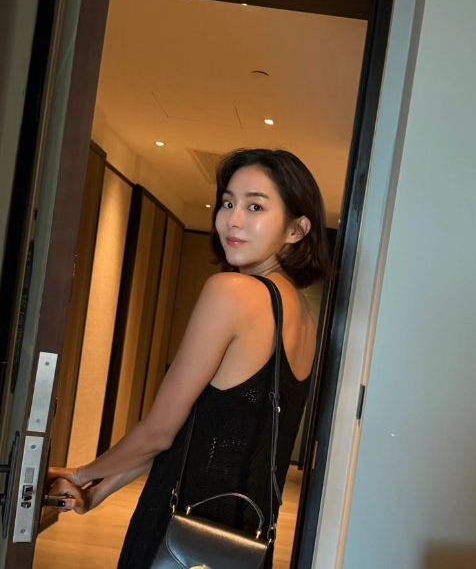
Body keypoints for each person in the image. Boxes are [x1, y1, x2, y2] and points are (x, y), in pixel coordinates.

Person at [47, 148, 332, 568]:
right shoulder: (304, 316)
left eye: (255, 206)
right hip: (242, 542)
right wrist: (96, 492)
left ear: (296, 229)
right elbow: (184, 435)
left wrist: (80, 474)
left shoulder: (232, 292)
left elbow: (158, 433)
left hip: (180, 533)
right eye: (228, 203)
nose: (233, 220)